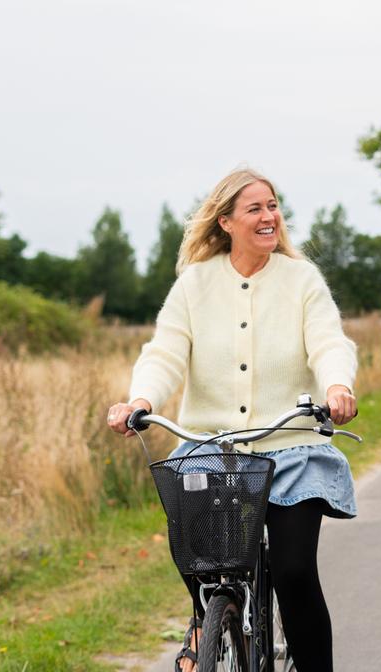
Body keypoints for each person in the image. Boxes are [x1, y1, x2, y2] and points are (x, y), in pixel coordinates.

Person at [106, 168, 357, 672]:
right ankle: (207, 622)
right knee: (204, 566)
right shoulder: (195, 284)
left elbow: (329, 341)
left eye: (273, 206)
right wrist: (141, 400)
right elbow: (166, 353)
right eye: (255, 209)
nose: (269, 217)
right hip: (213, 448)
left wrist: (337, 385)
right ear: (226, 222)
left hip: (292, 450)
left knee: (293, 572)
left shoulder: (301, 279)